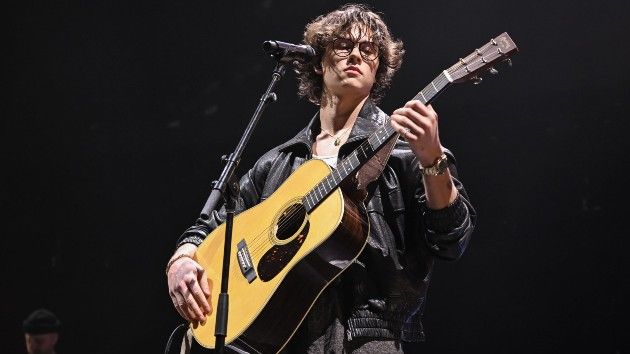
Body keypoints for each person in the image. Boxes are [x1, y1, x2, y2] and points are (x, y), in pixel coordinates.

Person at [166, 4, 476, 353]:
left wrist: (433, 160)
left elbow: (452, 239)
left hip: (366, 338)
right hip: (280, 338)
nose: (356, 55)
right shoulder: (278, 163)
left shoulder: (406, 150)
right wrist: (181, 261)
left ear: (379, 69)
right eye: (343, 45)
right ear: (318, 61)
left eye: (369, 49)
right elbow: (215, 225)